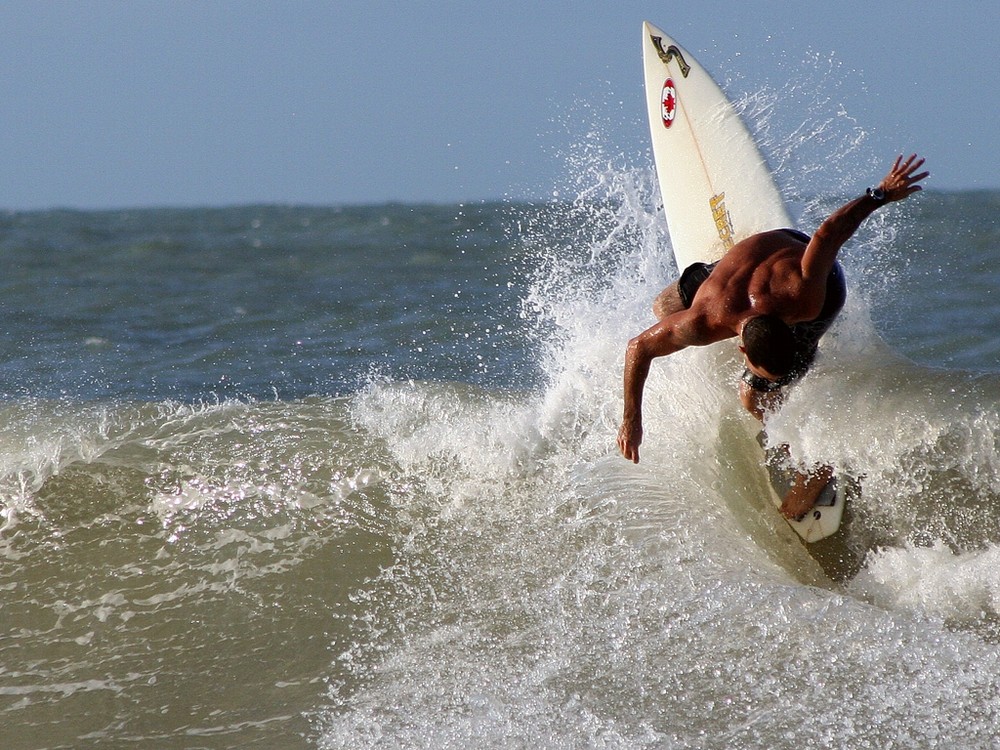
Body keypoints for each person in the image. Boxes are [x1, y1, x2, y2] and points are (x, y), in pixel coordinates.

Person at [617, 154, 929, 519]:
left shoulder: (806, 299)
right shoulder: (702, 321)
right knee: (664, 307)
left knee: (751, 397)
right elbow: (638, 347)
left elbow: (828, 233)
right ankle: (782, 417)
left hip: (802, 265)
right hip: (732, 278)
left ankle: (813, 467)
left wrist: (879, 195)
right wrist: (632, 419)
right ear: (742, 346)